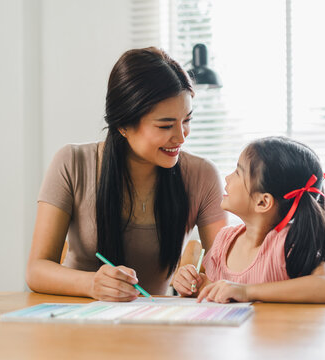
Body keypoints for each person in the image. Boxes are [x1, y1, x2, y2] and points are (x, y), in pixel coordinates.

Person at [26, 47, 227, 301]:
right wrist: (91, 284)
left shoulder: (202, 176)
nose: (181, 136)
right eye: (165, 125)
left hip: (155, 328)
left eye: (186, 120)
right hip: (77, 324)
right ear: (123, 125)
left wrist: (197, 281)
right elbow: (36, 270)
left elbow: (225, 274)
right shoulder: (71, 163)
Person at [173, 136, 325, 303]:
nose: (227, 178)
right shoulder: (224, 240)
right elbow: (219, 291)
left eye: (238, 172)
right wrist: (195, 285)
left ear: (263, 202)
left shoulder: (287, 244)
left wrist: (247, 291)